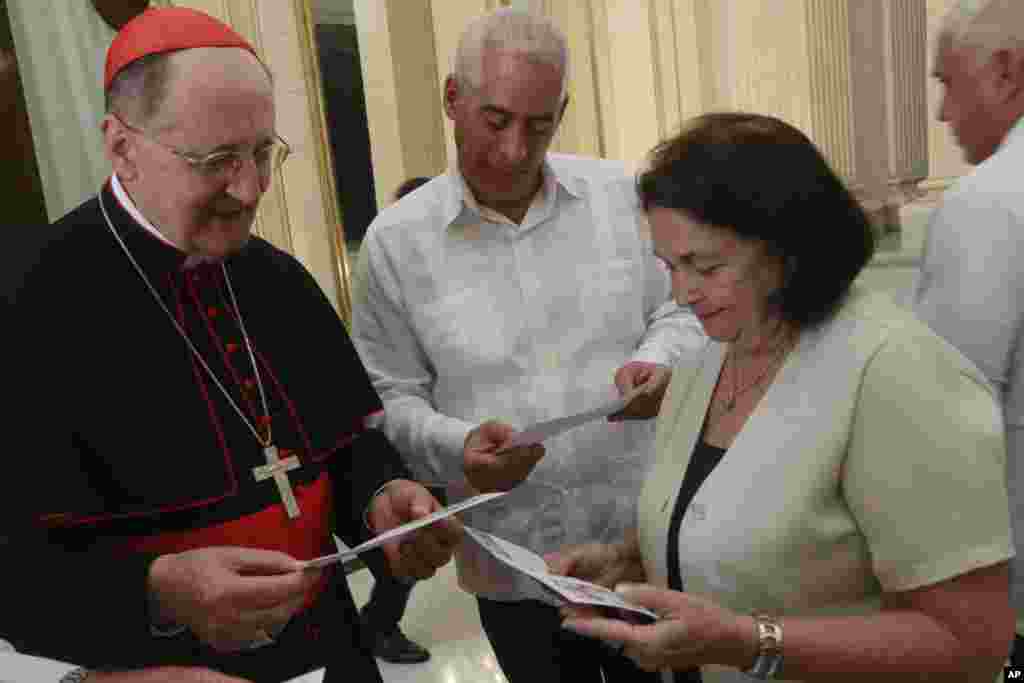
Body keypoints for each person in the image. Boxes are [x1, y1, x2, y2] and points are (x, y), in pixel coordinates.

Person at [2, 8, 458, 683]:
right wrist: (155, 591)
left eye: (261, 153)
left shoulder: (280, 281)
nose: (250, 189)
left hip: (331, 658)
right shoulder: (26, 302)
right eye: (216, 161)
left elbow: (345, 452)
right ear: (122, 147)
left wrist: (381, 501)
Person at [548, 112, 1014, 682]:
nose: (682, 293)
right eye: (669, 267)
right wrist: (629, 560)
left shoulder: (898, 373)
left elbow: (971, 641)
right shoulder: (706, 360)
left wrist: (751, 642)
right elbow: (742, 523)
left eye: (704, 265)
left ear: (785, 247)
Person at [350, 9, 705, 683]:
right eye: (496, 119)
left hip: (642, 542)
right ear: (453, 99)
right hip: (512, 562)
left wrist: (660, 362)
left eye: (539, 125)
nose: (516, 148)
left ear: (562, 110)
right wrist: (457, 447)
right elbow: (387, 397)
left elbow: (682, 309)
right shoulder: (396, 245)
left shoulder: (620, 198)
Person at [910, 0, 1024, 667]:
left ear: (1005, 72)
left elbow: (945, 409)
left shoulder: (989, 204)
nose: (943, 113)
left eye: (946, 82)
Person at [356, 175, 435, 665]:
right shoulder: (383, 276)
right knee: (401, 543)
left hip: (440, 433)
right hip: (394, 437)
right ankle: (379, 625)